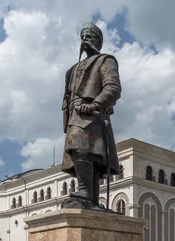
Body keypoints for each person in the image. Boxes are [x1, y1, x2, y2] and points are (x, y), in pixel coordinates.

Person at [61, 22, 121, 209]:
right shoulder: (73, 69)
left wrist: (96, 104)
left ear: (99, 41)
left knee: (79, 146)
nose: (85, 40)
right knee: (88, 155)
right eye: (83, 36)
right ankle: (91, 198)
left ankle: (85, 191)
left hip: (92, 116)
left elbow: (113, 87)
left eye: (90, 36)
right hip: (75, 115)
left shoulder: (105, 61)